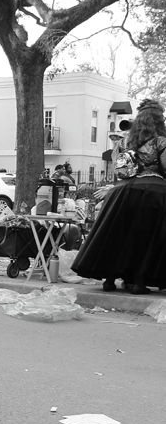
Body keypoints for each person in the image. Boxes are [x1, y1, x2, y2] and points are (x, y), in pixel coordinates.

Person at [72, 98, 166, 294]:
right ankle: (139, 282)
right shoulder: (161, 141)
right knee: (146, 238)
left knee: (117, 235)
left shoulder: (124, 142)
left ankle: (109, 280)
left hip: (123, 192)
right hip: (153, 192)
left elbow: (118, 169)